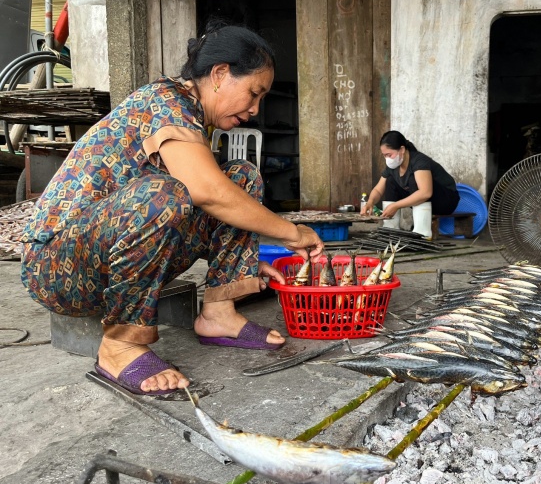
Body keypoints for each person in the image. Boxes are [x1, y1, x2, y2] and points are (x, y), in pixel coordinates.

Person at [19, 22, 324, 396]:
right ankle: (119, 346)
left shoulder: (190, 114)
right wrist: (293, 232)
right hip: (55, 266)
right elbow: (206, 193)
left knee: (241, 177)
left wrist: (243, 257)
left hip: (101, 256)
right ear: (220, 74)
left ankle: (219, 313)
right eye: (253, 93)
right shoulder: (165, 101)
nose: (256, 109)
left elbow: (217, 196)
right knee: (167, 193)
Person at [360, 130, 460, 238]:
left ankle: (422, 233)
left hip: (446, 200)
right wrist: (370, 202)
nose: (387, 159)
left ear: (402, 149)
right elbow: (378, 190)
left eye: (389, 155)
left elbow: (425, 193)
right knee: (390, 180)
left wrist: (396, 205)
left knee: (414, 180)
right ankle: (391, 229)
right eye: (384, 156)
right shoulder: (393, 166)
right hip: (427, 200)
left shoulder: (419, 161)